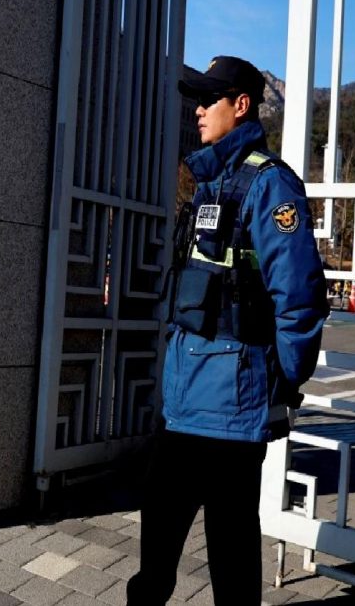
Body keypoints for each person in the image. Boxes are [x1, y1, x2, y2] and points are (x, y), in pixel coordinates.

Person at [127, 56, 329, 605]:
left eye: (208, 99)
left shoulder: (271, 185)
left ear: (240, 105)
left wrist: (284, 382)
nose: (197, 110)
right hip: (183, 402)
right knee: (153, 562)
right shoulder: (210, 182)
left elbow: (300, 296)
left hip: (234, 412)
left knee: (233, 560)